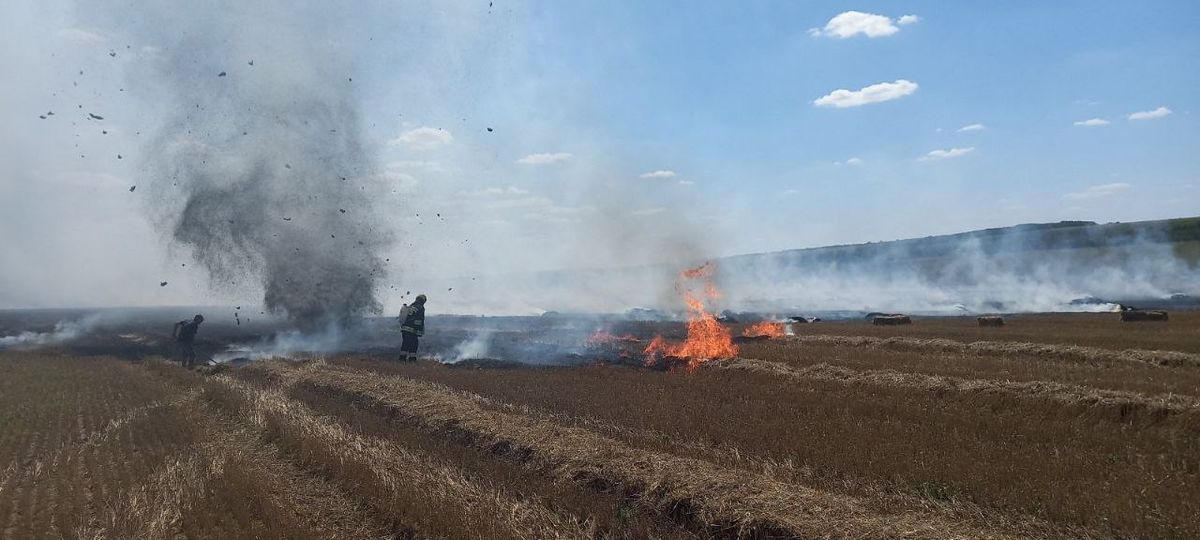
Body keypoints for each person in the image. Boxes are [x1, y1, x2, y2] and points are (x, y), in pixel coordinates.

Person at [397, 294, 426, 361]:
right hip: (412, 330)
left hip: (405, 329)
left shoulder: (411, 306)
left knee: (405, 343)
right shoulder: (420, 307)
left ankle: (402, 358)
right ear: (423, 301)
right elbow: (419, 320)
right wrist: (420, 329)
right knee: (414, 344)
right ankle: (411, 359)